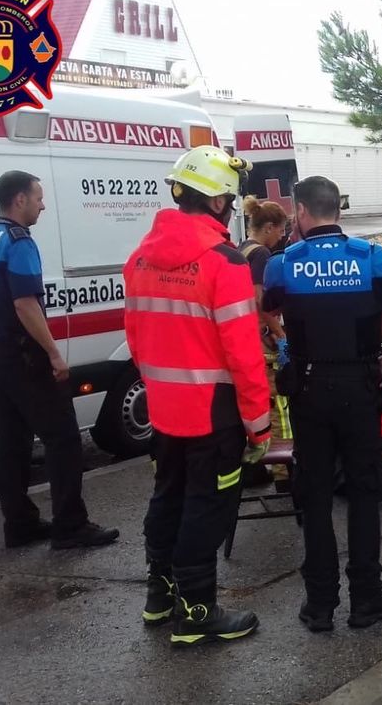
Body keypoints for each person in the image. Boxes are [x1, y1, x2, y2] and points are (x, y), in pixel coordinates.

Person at [262, 175, 382, 632]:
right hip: (361, 387)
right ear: (337, 210)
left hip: (308, 388)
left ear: (301, 212)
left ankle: (319, 605)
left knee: (316, 495)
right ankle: (367, 599)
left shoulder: (283, 262)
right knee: (363, 494)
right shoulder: (374, 258)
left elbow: (266, 308)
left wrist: (287, 341)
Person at [123, 146, 271, 647]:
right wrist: (259, 423)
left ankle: (159, 596)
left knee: (168, 496)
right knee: (206, 507)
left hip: (165, 409)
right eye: (228, 199)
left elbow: (136, 336)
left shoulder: (140, 256)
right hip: (215, 412)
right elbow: (244, 353)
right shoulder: (223, 262)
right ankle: (198, 612)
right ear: (217, 202)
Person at [0, 171, 120, 551]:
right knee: (64, 437)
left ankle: (19, 524)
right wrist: (53, 353)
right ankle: (71, 526)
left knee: (11, 441)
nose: (42, 204)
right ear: (19, 199)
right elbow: (24, 303)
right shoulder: (19, 242)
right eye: (38, 197)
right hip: (22, 355)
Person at [239, 197, 293, 486]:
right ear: (269, 227)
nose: (282, 237)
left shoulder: (241, 249)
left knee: (252, 406)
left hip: (244, 339)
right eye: (281, 230)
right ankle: (284, 473)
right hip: (262, 340)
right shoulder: (261, 254)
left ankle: (253, 466)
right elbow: (260, 302)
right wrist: (280, 335)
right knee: (278, 405)